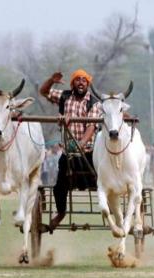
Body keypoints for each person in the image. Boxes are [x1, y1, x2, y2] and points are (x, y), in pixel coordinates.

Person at [39, 69, 101, 231]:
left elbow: (91, 126)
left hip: (88, 154)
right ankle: (60, 214)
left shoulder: (94, 102)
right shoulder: (64, 96)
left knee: (102, 183)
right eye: (77, 80)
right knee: (59, 187)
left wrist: (80, 145)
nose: (81, 82)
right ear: (73, 83)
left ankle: (110, 211)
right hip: (68, 153)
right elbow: (43, 91)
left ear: (88, 84)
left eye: (84, 80)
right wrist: (51, 80)